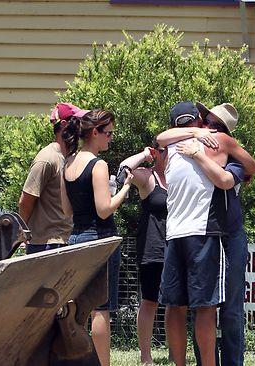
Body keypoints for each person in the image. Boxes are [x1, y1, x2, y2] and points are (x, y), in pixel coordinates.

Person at [159, 102, 255, 366]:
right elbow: (161, 138)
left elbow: (238, 174)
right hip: (188, 231)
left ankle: (231, 363)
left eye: (212, 124)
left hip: (224, 234)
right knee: (186, 305)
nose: (206, 127)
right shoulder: (184, 140)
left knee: (226, 308)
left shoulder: (223, 146)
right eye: (205, 122)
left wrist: (199, 153)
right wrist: (193, 135)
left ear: (222, 130)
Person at [60, 109, 133, 366]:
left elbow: (67, 210)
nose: (111, 138)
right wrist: (125, 189)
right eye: (109, 133)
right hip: (100, 239)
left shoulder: (67, 162)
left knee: (79, 309)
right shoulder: (98, 164)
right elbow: (104, 209)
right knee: (101, 309)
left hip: (75, 239)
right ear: (95, 132)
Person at [118, 142, 168, 365]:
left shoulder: (178, 177)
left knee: (177, 304)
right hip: (152, 247)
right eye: (165, 151)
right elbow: (123, 169)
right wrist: (145, 154)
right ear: (157, 153)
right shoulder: (148, 178)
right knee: (150, 301)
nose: (170, 155)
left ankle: (176, 354)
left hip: (176, 245)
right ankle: (146, 357)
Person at [18, 103, 86, 254]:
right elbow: (26, 200)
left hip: (66, 241)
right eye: (78, 122)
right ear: (64, 125)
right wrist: (22, 233)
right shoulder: (47, 158)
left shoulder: (69, 158)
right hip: (46, 244)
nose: (82, 127)